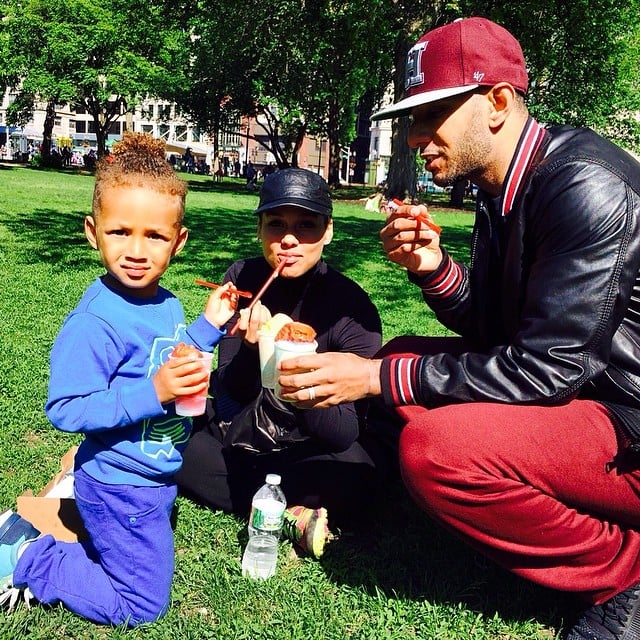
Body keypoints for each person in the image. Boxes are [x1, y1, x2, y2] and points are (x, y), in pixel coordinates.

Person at [274, 17, 640, 640]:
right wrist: (434, 269)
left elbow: (545, 369)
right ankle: (383, 497)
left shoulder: (583, 185)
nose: (415, 136)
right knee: (403, 359)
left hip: (625, 420)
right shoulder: (501, 186)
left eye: (431, 114)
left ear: (497, 102)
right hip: (581, 392)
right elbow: (499, 332)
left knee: (435, 448)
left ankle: (619, 572)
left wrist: (372, 376)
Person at [0, 132, 238, 625]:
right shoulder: (95, 321)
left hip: (151, 476)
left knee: (138, 555)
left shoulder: (166, 302)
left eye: (154, 236)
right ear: (93, 232)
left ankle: (78, 523)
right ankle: (26, 555)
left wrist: (208, 327)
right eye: (119, 231)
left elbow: (169, 356)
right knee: (141, 605)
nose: (136, 250)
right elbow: (66, 408)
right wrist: (154, 392)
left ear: (179, 241)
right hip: (117, 481)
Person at [175, 168, 383, 558]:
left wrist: (297, 369)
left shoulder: (353, 309)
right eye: (276, 224)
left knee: (360, 475)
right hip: (247, 432)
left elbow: (342, 434)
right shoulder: (243, 279)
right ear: (260, 230)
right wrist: (254, 352)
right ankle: (289, 511)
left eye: (306, 225)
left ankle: (264, 499)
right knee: (175, 436)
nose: (289, 238)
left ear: (328, 232)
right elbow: (230, 397)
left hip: (313, 445)